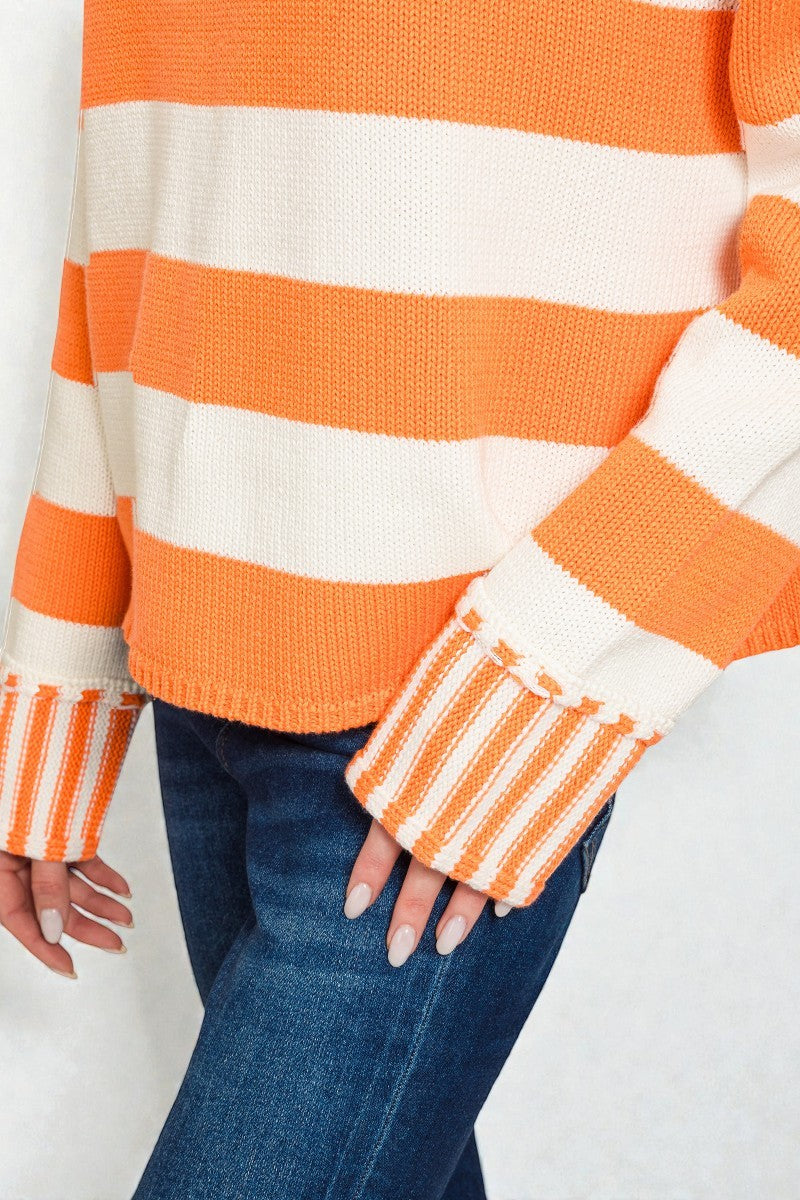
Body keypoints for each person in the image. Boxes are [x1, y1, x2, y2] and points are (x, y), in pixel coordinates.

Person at [1, 1, 798, 1196]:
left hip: (455, 708)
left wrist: (540, 673)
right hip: (199, 679)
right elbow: (127, 243)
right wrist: (57, 685)